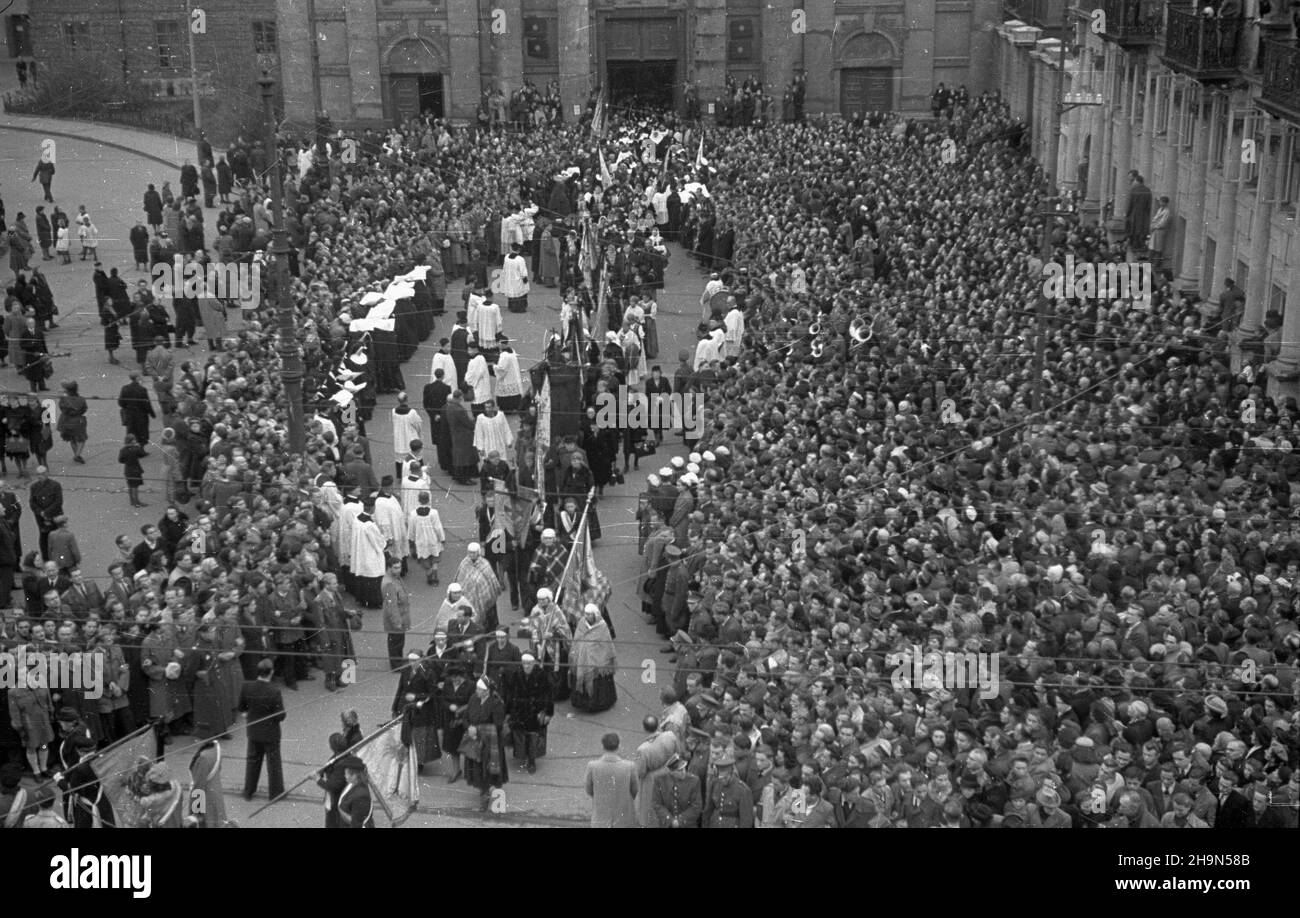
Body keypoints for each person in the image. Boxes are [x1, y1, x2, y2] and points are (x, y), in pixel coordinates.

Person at [239, 658, 285, 801]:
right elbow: (281, 716)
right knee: (274, 764)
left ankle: (248, 791)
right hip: (270, 733)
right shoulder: (274, 691)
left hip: (253, 732)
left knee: (253, 761)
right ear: (271, 673)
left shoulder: (246, 686)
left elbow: (242, 708)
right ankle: (276, 793)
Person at [463, 676, 509, 811]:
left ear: (487, 691)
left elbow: (498, 725)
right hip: (475, 740)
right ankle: (483, 789)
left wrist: (476, 729)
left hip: (490, 743)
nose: (477, 690)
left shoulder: (495, 703)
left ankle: (485, 794)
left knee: (486, 767)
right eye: (477, 688)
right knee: (477, 767)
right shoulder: (473, 699)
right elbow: (465, 717)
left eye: (480, 689)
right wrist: (468, 727)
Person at [570, 602, 617, 712]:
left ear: (595, 615)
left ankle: (597, 703)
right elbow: (577, 639)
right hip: (582, 658)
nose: (586, 616)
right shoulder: (581, 623)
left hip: (598, 661)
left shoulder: (602, 626)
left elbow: (607, 645)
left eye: (589, 614)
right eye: (585, 614)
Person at [585, 732, 638, 828]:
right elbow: (634, 791)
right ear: (619, 746)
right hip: (624, 820)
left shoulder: (592, 766)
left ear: (602, 746)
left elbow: (589, 790)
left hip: (600, 820)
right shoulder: (629, 766)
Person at [652, 753, 703, 828]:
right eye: (679, 770)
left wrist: (680, 820)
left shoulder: (694, 781)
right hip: (667, 824)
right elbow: (656, 803)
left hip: (687, 824)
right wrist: (670, 820)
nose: (683, 772)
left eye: (684, 768)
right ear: (671, 772)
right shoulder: (659, 780)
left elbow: (696, 806)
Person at [382, 558, 410, 669]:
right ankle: (396, 665)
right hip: (396, 618)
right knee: (395, 642)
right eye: (396, 567)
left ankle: (398, 659)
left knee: (399, 641)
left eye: (400, 567)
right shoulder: (389, 583)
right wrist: (397, 622)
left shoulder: (394, 577)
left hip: (400, 615)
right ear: (389, 568)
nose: (399, 570)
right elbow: (391, 606)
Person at [336, 754, 376, 827]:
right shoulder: (352, 784)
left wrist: (341, 811)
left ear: (354, 775)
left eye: (346, 773)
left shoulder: (361, 797)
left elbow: (357, 824)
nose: (344, 775)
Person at [117, 372, 155, 447]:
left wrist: (127, 407)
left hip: (129, 414)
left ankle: (132, 447)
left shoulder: (125, 388)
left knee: (131, 430)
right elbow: (146, 403)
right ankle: (141, 448)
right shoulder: (142, 389)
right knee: (142, 431)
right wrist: (151, 413)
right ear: (137, 378)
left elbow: (121, 402)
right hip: (141, 414)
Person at [56, 380, 88, 464]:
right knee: (82, 439)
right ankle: (77, 455)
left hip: (66, 420)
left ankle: (76, 454)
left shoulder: (64, 400)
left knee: (72, 439)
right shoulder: (81, 399)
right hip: (77, 421)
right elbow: (84, 409)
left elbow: (61, 408)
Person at [118, 434, 149, 508]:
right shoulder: (136, 449)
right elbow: (143, 454)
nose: (135, 441)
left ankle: (132, 500)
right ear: (131, 441)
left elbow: (120, 460)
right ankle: (137, 502)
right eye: (134, 440)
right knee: (135, 486)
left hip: (128, 469)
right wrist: (138, 447)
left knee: (130, 485)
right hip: (135, 469)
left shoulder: (122, 450)